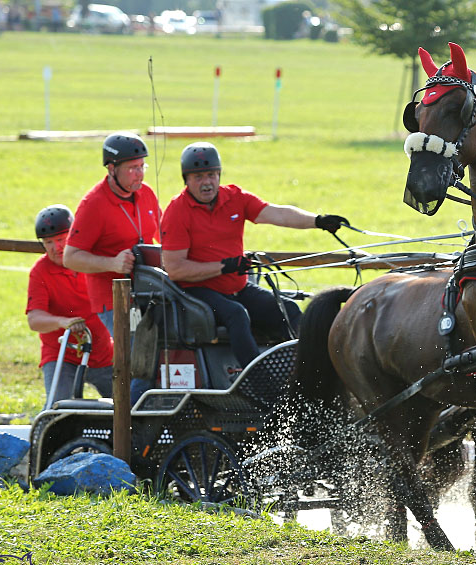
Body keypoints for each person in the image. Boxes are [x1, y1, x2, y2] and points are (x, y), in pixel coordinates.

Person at [160, 141, 349, 368]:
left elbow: (278, 214)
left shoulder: (235, 197)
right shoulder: (177, 211)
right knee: (237, 315)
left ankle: (310, 370)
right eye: (198, 177)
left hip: (238, 287)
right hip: (196, 294)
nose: (207, 183)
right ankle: (258, 380)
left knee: (286, 309)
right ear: (186, 180)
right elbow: (175, 269)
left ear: (219, 175)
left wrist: (318, 221)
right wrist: (223, 266)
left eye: (211, 175)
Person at [63, 132, 160, 335]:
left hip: (150, 291)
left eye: (142, 167)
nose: (140, 174)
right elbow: (70, 257)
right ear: (111, 168)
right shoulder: (93, 205)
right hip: (115, 300)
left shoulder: (147, 193)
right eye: (133, 168)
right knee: (136, 352)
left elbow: (165, 236)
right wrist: (112, 264)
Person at [27, 205, 114, 405]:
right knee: (57, 408)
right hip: (61, 355)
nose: (55, 248)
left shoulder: (89, 262)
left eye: (60, 239)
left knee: (128, 406)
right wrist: (63, 322)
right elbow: (34, 319)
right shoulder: (40, 272)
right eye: (48, 242)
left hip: (103, 353)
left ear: (74, 235)